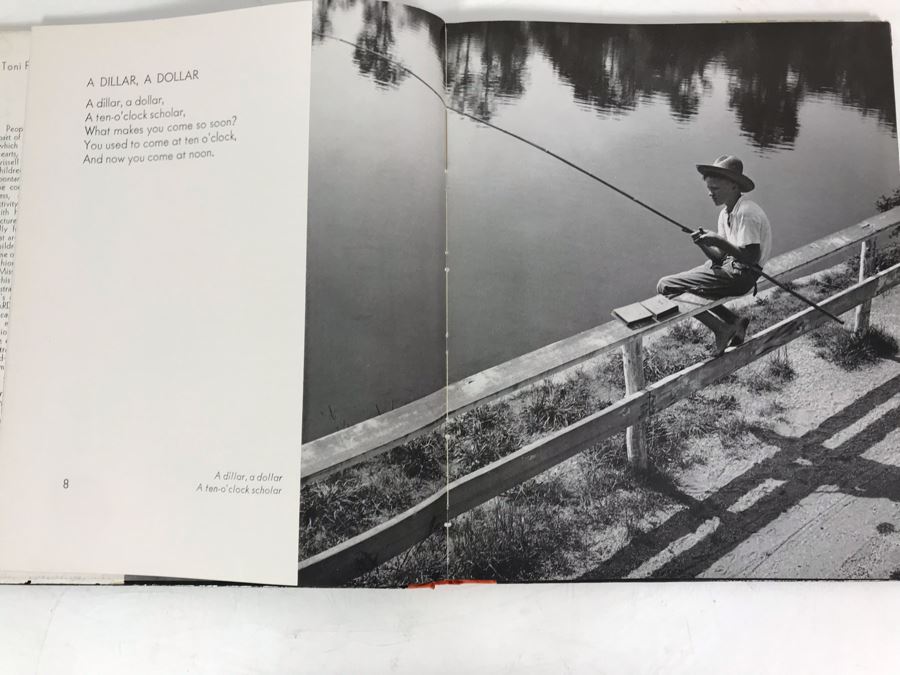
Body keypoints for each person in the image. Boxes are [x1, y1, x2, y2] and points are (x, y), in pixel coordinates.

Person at [656, 155, 772, 355]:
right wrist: (703, 243)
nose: (710, 194)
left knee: (666, 286)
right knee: (684, 284)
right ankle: (734, 321)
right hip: (730, 268)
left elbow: (751, 258)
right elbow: (720, 257)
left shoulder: (746, 212)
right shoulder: (726, 213)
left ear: (734, 186)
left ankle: (722, 328)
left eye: (715, 189)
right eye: (709, 189)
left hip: (742, 276)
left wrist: (717, 240)